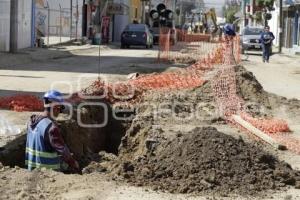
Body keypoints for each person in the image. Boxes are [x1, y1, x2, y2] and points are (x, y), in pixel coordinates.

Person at [25, 90, 79, 172]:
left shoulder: (31, 121)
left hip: (30, 168)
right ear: (55, 107)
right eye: (60, 108)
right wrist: (73, 163)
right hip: (47, 171)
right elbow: (63, 150)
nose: (60, 112)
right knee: (68, 166)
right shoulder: (51, 128)